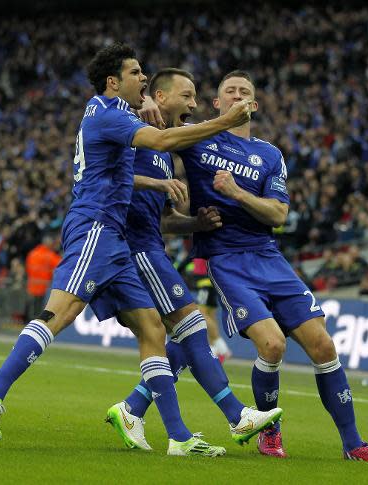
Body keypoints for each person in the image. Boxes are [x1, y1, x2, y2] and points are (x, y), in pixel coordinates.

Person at [0, 43, 254, 456]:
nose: (144, 78)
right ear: (113, 81)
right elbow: (162, 140)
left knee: (153, 329)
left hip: (116, 237)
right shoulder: (108, 112)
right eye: (137, 73)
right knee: (59, 313)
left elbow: (130, 161)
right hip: (95, 226)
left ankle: (178, 437)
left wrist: (156, 183)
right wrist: (224, 120)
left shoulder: (109, 114)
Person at [174, 70, 368, 463]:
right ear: (217, 103)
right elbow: (160, 127)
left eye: (245, 92)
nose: (238, 96)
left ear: (254, 105)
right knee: (272, 344)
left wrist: (237, 192)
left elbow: (277, 212)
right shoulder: (199, 136)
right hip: (227, 260)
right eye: (230, 91)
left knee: (324, 345)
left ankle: (353, 444)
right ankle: (270, 434)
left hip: (269, 258)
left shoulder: (270, 155)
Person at [104, 68, 282, 451]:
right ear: (160, 96)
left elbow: (166, 220)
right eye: (187, 96)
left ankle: (133, 409)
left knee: (184, 336)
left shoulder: (166, 156)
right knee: (190, 326)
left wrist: (195, 223)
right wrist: (145, 100)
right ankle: (233, 417)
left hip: (152, 244)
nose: (193, 104)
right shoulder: (133, 130)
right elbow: (103, 173)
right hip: (133, 247)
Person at [25, 232, 62, 318]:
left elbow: (27, 269)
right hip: (44, 289)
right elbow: (62, 266)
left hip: (31, 287)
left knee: (32, 312)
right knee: (41, 313)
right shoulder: (50, 256)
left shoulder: (32, 253)